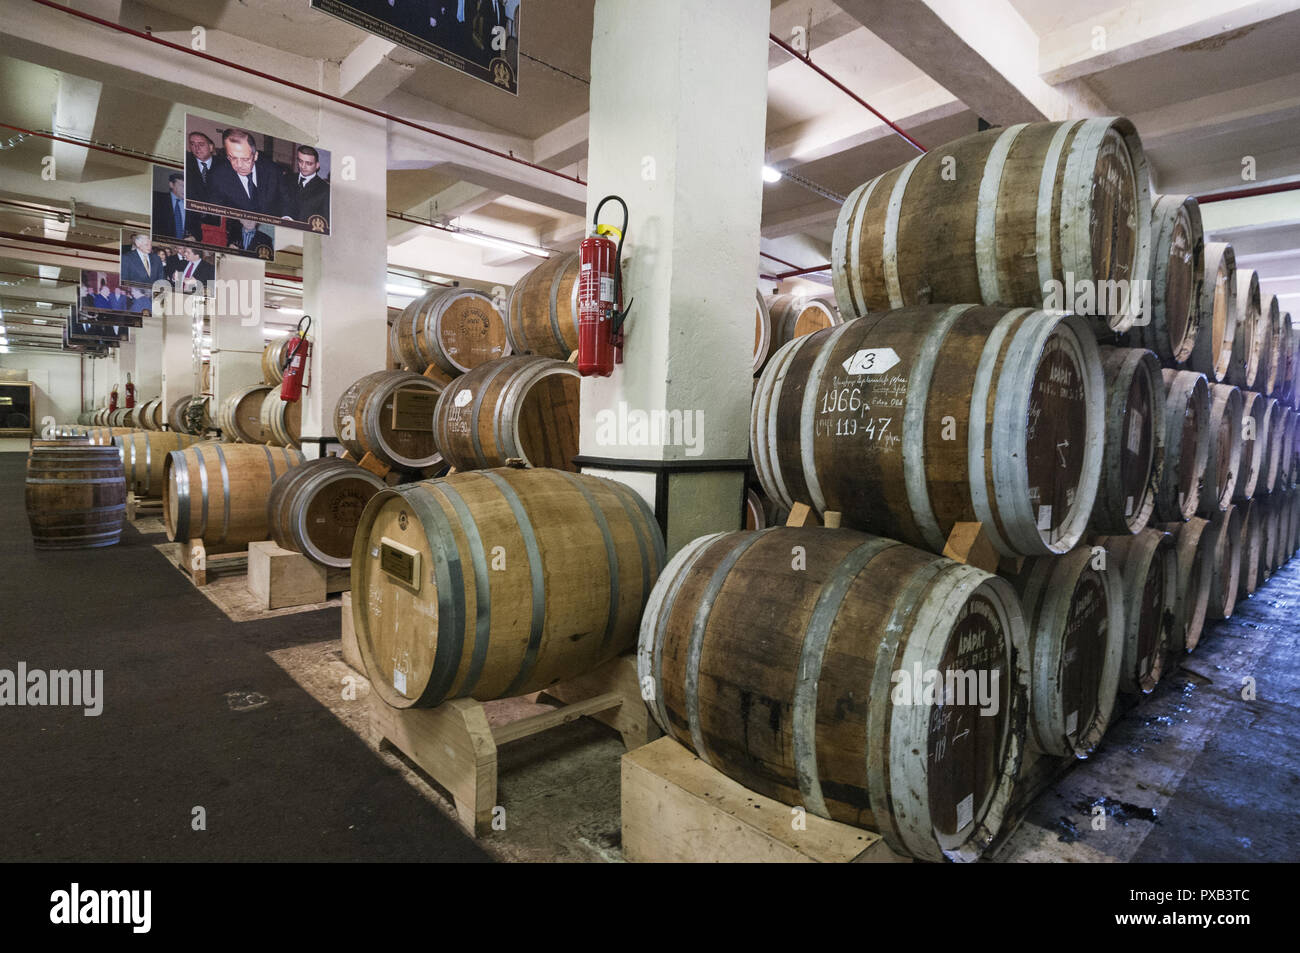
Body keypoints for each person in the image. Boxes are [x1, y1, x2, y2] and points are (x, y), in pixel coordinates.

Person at [204, 129, 298, 220]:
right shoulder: (217, 177)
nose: (239, 165)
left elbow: (288, 201)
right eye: (233, 158)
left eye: (245, 159)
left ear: (255, 156)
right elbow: (215, 213)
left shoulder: (273, 171)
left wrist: (286, 218)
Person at [290, 146, 330, 226]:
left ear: (317, 165)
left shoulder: (325, 189)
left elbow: (326, 222)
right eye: (300, 161)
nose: (303, 166)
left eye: (308, 163)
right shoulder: (287, 179)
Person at [153, 172, 197, 241]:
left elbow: (197, 230)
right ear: (171, 185)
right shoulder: (157, 199)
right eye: (182, 186)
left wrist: (194, 237)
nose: (185, 190)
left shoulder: (192, 205)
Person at [185, 131, 225, 203]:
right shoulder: (186, 162)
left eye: (201, 144)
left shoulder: (223, 165)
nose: (197, 148)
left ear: (211, 147)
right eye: (192, 144)